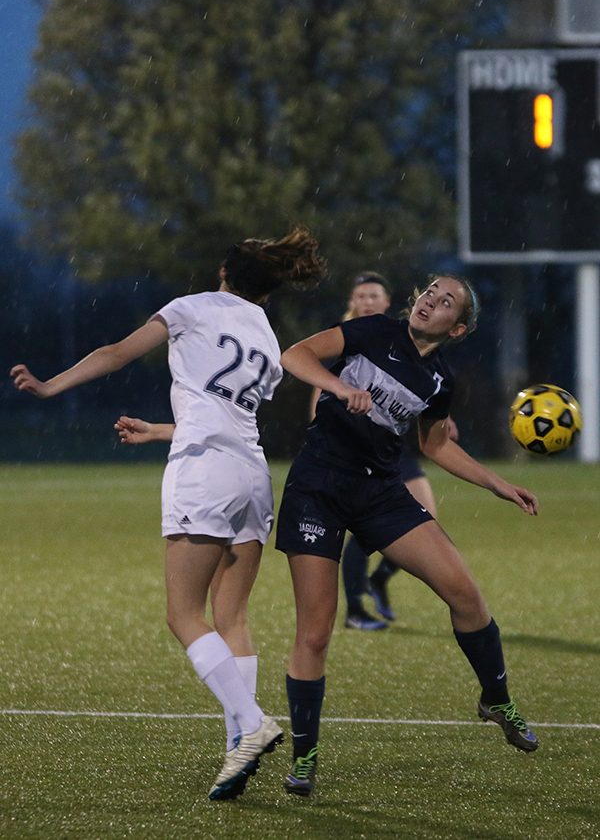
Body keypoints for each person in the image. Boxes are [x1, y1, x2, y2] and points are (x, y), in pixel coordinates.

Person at [11, 226, 326, 802]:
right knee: (231, 616)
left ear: (224, 274)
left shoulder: (192, 307)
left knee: (183, 615)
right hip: (253, 476)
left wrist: (52, 386)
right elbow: (229, 413)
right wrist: (160, 430)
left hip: (204, 470)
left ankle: (250, 723)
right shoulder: (264, 332)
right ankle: (238, 745)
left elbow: (115, 353)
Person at [275, 274, 539, 797]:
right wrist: (337, 386)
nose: (431, 302)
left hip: (380, 493)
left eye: (447, 303)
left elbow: (436, 445)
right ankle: (304, 757)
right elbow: (295, 355)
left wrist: (497, 483)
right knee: (315, 632)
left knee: (465, 592)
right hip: (317, 488)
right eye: (430, 293)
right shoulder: (373, 330)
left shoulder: (440, 380)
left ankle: (496, 698)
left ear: (457, 329)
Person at [309, 271, 457, 631]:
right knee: (361, 530)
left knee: (426, 517)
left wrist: (441, 420)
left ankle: (378, 580)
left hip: (390, 449)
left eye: (375, 295)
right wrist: (319, 423)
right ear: (353, 302)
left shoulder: (403, 337)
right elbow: (318, 380)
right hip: (348, 449)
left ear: (387, 301)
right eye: (362, 296)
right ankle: (356, 606)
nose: (368, 301)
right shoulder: (356, 334)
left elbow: (417, 386)